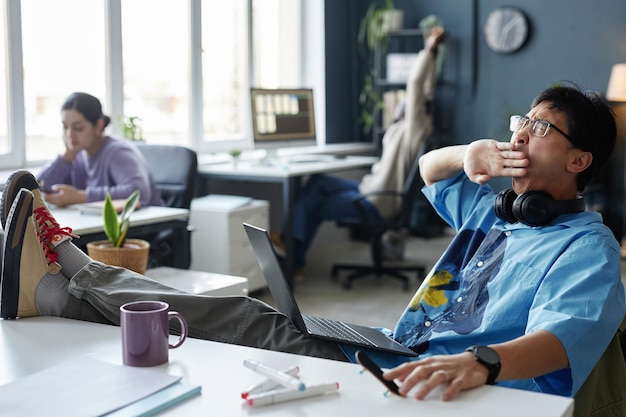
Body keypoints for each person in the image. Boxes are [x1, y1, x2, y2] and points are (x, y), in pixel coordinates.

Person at [1, 84, 624, 406]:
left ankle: (67, 281)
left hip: (445, 378)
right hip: (396, 348)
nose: (522, 133)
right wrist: (471, 153)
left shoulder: (587, 248)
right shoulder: (498, 207)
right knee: (257, 317)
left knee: (242, 317)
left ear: (579, 158)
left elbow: (564, 337)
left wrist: (481, 362)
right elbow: (431, 171)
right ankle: (63, 285)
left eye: (541, 128)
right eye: (524, 121)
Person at [272, 27, 445, 274]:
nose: (404, 102)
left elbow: (417, 86)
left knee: (316, 204)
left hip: (379, 200)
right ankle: (291, 246)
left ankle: (293, 257)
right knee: (317, 183)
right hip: (371, 188)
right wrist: (435, 54)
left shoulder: (417, 128)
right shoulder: (411, 124)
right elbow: (426, 89)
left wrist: (428, 49)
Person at [36, 92, 164, 208]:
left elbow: (139, 193)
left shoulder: (118, 152)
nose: (70, 134)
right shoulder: (78, 155)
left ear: (99, 125)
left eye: (78, 127)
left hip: (146, 229)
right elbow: (35, 190)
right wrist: (65, 158)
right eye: (65, 127)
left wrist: (82, 197)